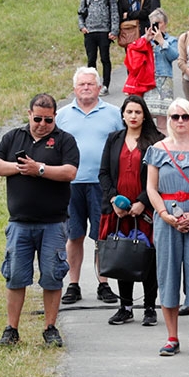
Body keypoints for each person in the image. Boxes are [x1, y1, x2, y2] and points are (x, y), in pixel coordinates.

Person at [0, 94, 80, 347]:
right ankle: (11, 329)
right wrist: (20, 168)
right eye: (37, 118)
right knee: (16, 277)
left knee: (52, 276)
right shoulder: (13, 137)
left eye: (48, 119)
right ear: (29, 114)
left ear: (55, 117)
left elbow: (70, 172)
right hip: (19, 222)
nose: (42, 124)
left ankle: (50, 327)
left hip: (53, 222)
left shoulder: (65, 140)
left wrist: (39, 169)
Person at [146, 99, 189, 356]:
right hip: (167, 218)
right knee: (168, 275)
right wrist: (164, 214)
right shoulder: (157, 149)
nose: (180, 122)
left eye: (185, 116)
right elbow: (151, 187)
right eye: (175, 117)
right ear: (169, 120)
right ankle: (172, 336)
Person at [57, 68, 124, 307]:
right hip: (70, 184)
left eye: (90, 84)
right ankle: (73, 284)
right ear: (75, 88)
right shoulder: (62, 115)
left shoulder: (114, 113)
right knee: (73, 236)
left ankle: (103, 283)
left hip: (102, 185)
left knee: (101, 236)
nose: (86, 88)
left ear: (98, 88)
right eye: (82, 84)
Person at [100, 96, 162, 327]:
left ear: (144, 114)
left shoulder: (156, 141)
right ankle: (125, 307)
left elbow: (160, 177)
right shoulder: (113, 139)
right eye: (129, 112)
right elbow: (104, 173)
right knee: (121, 255)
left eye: (138, 112)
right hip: (118, 211)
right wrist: (115, 199)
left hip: (145, 210)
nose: (133, 116)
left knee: (147, 258)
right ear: (123, 115)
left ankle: (149, 307)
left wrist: (142, 202)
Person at [79, 0, 120, 93]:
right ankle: (92, 84)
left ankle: (105, 85)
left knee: (105, 58)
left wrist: (114, 30)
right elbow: (81, 11)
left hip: (104, 31)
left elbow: (114, 12)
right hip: (90, 31)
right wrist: (82, 26)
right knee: (91, 59)